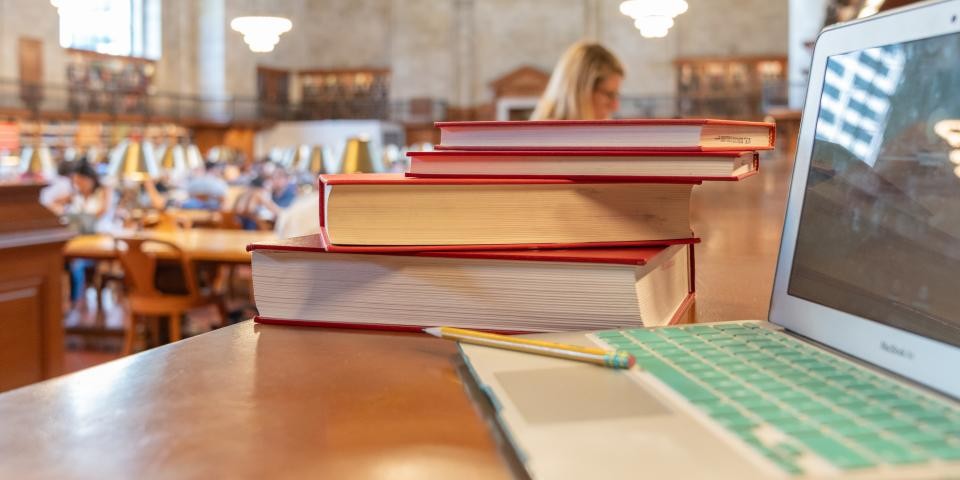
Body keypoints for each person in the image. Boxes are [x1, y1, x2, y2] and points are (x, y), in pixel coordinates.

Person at [530, 41, 624, 121]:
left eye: (616, 95)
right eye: (609, 95)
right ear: (581, 91)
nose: (615, 106)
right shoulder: (542, 137)